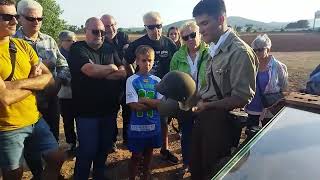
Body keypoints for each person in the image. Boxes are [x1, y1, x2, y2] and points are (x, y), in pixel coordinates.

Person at [191, 0, 258, 179]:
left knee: (215, 172)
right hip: (206, 118)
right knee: (198, 169)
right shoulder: (214, 49)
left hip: (222, 125)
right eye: (199, 25)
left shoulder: (239, 52)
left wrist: (208, 106)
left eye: (205, 23)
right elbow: (210, 88)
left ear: (221, 19)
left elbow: (241, 98)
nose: (201, 30)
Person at [0, 0, 64, 179]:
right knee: (14, 174)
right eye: (7, 17)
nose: (14, 21)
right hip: (7, 125)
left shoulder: (22, 46)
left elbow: (49, 78)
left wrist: (18, 84)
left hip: (35, 119)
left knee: (57, 157)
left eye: (14, 16)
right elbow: (5, 98)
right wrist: (34, 82)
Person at [68, 17, 126, 180]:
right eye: (95, 31)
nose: (99, 34)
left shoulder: (109, 48)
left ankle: (99, 175)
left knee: (103, 148)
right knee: (87, 150)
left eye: (102, 31)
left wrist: (101, 73)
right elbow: (90, 70)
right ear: (85, 31)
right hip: (86, 112)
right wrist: (110, 68)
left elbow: (122, 72)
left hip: (109, 110)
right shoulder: (78, 48)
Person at [125, 11, 179, 164]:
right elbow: (126, 61)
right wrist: (132, 78)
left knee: (163, 120)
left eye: (159, 26)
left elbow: (174, 65)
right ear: (145, 27)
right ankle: (139, 152)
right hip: (141, 90)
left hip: (162, 91)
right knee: (140, 119)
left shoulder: (169, 43)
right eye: (151, 27)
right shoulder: (137, 44)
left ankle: (164, 149)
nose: (156, 30)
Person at [14, 0, 69, 142]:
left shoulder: (49, 40)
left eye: (39, 18)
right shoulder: (11, 42)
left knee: (52, 139)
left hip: (51, 100)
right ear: (19, 18)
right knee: (27, 144)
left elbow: (63, 65)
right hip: (23, 102)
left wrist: (57, 83)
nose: (36, 22)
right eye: (31, 18)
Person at [169, 21, 209, 173]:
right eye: (185, 37)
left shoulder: (210, 53)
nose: (190, 39)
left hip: (206, 101)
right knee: (186, 134)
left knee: (204, 134)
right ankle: (187, 163)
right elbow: (173, 77)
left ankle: (202, 164)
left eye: (193, 35)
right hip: (185, 103)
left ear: (199, 34)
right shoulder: (177, 56)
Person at [126, 45, 162, 180]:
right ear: (137, 61)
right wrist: (153, 104)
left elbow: (161, 104)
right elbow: (134, 106)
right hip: (137, 128)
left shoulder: (157, 81)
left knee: (149, 154)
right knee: (136, 156)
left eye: (150, 60)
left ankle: (145, 176)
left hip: (153, 127)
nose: (147, 64)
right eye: (143, 60)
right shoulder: (131, 80)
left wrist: (143, 99)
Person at [101, 14, 131, 148]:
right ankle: (111, 140)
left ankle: (127, 138)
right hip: (109, 83)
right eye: (107, 26)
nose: (110, 28)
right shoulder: (99, 41)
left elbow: (128, 57)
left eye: (112, 25)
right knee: (111, 112)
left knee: (128, 110)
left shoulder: (123, 36)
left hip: (126, 81)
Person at [245, 34, 288, 128]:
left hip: (270, 109)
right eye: (254, 50)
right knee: (251, 135)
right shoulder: (250, 65)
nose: (256, 52)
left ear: (268, 49)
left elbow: (284, 88)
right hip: (253, 108)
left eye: (260, 49)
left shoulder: (279, 67)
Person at [57, 30, 77, 152]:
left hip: (79, 92)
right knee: (68, 120)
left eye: (74, 40)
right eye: (69, 40)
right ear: (61, 42)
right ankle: (71, 143)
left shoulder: (78, 53)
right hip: (64, 93)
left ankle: (82, 142)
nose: (72, 43)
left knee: (80, 119)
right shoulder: (57, 55)